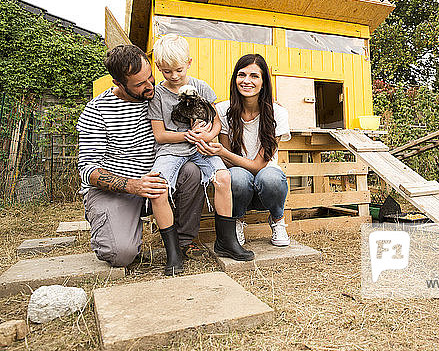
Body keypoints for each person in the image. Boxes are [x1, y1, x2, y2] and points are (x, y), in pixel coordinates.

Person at [76, 44, 205, 269]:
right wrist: (134, 186)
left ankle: (183, 242)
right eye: (139, 84)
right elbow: (88, 170)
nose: (149, 86)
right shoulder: (97, 110)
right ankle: (117, 225)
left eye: (150, 77)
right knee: (121, 255)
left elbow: (206, 106)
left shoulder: (160, 97)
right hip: (117, 189)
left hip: (157, 184)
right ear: (118, 83)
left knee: (191, 172)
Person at [148, 34, 254, 271]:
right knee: (156, 187)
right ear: (158, 67)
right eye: (166, 71)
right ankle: (173, 251)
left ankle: (226, 241)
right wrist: (187, 135)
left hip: (202, 148)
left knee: (224, 177)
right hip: (170, 150)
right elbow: (160, 135)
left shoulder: (201, 87)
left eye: (178, 70)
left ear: (189, 62)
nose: (174, 76)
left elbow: (217, 123)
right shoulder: (157, 95)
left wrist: (207, 135)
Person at [195, 54, 291, 247]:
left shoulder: (277, 113)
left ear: (263, 82)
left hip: (266, 181)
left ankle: (278, 219)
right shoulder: (223, 110)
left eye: (254, 76)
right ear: (235, 79)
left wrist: (222, 151)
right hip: (239, 184)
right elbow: (227, 163)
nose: (247, 81)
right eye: (242, 74)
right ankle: (236, 221)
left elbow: (258, 165)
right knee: (236, 176)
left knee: (270, 177)